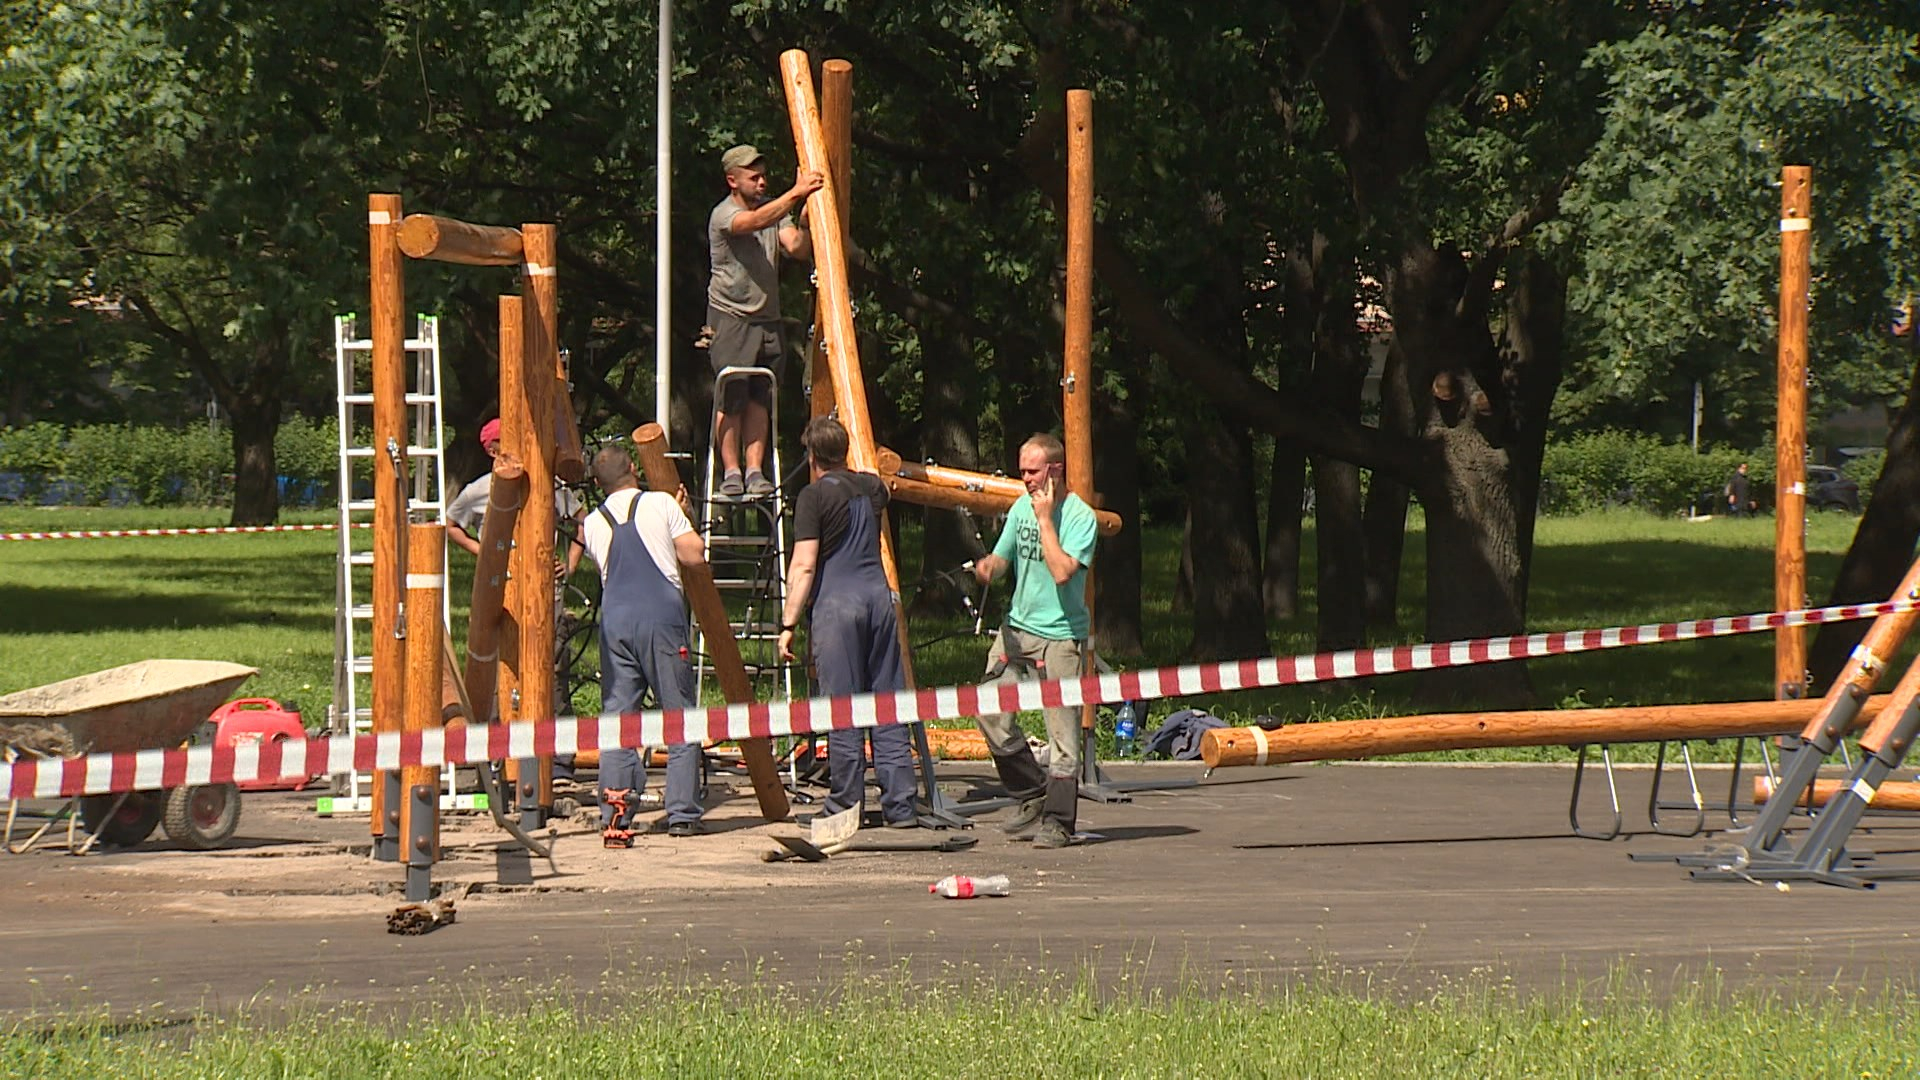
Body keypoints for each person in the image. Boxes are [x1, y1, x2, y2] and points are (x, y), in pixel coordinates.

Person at [776, 417, 918, 828]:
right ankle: (900, 805)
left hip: (838, 607)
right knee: (887, 702)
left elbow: (803, 566)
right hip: (878, 599)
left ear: (811, 456)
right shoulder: (872, 488)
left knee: (842, 707)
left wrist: (789, 622)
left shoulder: (812, 497)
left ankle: (845, 806)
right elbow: (878, 483)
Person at [969, 433, 1099, 849]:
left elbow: (1063, 572)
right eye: (1021, 470)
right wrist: (989, 567)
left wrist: (1045, 520)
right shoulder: (1019, 507)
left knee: (1062, 734)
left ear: (1055, 471)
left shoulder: (1081, 518)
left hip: (1060, 638)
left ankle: (1060, 822)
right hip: (1016, 630)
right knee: (987, 708)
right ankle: (1031, 793)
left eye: (1032, 471)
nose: (1024, 479)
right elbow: (1003, 558)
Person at [580, 445, 709, 843]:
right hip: (661, 618)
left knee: (619, 717)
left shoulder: (592, 522)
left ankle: (616, 812)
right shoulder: (660, 503)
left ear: (600, 484)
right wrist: (683, 515)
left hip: (616, 620)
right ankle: (682, 813)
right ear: (633, 469)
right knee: (678, 713)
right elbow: (694, 555)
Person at [705, 144, 822, 499]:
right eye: (753, 177)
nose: (761, 182)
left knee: (760, 399)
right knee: (732, 396)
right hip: (732, 318)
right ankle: (731, 472)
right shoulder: (724, 215)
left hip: (767, 320)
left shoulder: (774, 211)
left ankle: (755, 471)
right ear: (732, 181)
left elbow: (797, 249)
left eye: (762, 175)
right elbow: (751, 223)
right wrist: (796, 192)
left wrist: (802, 219)